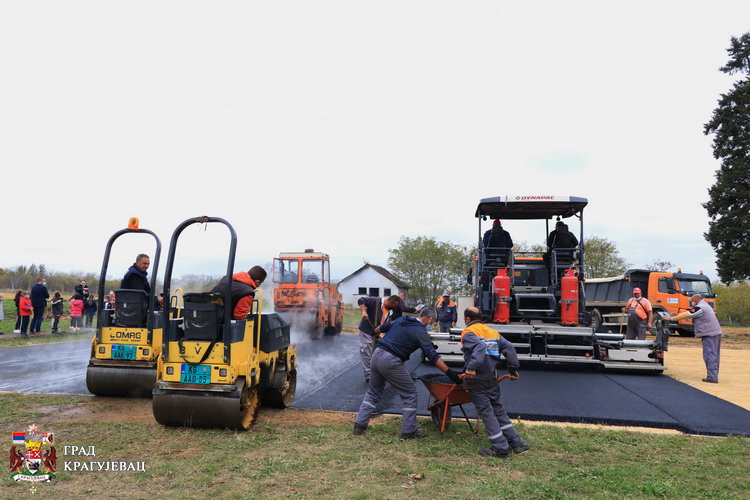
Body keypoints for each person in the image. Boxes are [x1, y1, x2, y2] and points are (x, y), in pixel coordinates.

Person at [353, 307, 462, 439]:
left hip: (376, 356)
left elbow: (381, 328)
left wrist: (373, 333)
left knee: (373, 392)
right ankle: (409, 431)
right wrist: (450, 373)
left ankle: (359, 425)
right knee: (410, 394)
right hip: (390, 360)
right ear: (431, 318)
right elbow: (432, 355)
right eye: (432, 322)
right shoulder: (420, 332)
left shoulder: (402, 319)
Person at [460, 307, 529, 457]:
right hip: (492, 379)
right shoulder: (493, 333)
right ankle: (517, 443)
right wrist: (513, 369)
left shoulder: (468, 332)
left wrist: (472, 368)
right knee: (498, 411)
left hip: (476, 380)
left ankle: (500, 448)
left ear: (467, 319)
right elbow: (509, 348)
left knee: (487, 413)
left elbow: (480, 346)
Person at [668, 295, 723, 383]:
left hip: (709, 333)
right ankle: (713, 375)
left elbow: (689, 314)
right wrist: (677, 315)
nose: (692, 303)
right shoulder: (706, 306)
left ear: (695, 300)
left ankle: (712, 377)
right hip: (715, 332)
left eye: (692, 301)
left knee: (709, 355)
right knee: (714, 355)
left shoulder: (700, 307)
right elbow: (691, 313)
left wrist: (671, 318)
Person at [357, 295, 400, 382]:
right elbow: (361, 300)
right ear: (389, 302)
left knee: (379, 353)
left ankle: (378, 372)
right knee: (366, 353)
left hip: (377, 333)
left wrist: (382, 333)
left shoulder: (390, 312)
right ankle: (369, 376)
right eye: (393, 306)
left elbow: (384, 323)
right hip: (366, 331)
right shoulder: (375, 301)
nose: (394, 308)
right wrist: (364, 311)